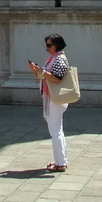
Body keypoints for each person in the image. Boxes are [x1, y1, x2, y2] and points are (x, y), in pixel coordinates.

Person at [29, 34, 70, 172]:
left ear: (56, 46)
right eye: (46, 45)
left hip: (56, 99)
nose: (47, 48)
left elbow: (57, 78)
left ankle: (61, 163)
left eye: (49, 45)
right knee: (57, 130)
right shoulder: (52, 59)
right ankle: (60, 160)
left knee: (55, 131)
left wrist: (42, 71)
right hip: (50, 98)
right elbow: (43, 77)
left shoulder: (60, 59)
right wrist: (36, 71)